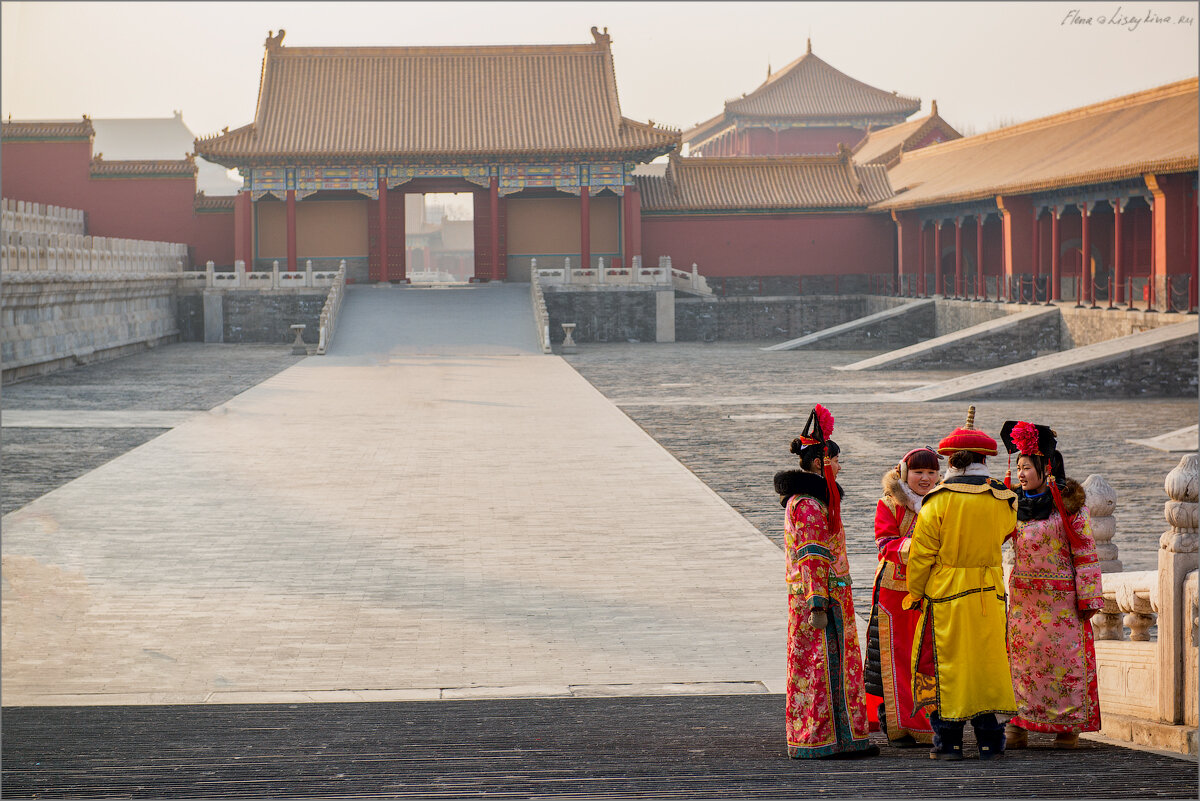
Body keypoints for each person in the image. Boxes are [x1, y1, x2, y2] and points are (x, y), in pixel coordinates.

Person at [904, 406, 1018, 761]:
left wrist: (915, 592)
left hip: (946, 592)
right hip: (989, 592)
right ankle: (990, 742)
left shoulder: (936, 502)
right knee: (988, 667)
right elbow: (1005, 535)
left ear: (952, 462)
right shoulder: (1003, 499)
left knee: (944, 668)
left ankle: (949, 743)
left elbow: (921, 555)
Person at [774, 404, 878, 760]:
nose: (839, 465)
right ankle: (822, 739)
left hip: (832, 595)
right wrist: (817, 600)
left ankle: (842, 736)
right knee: (820, 666)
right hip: (820, 598)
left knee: (832, 664)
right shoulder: (807, 505)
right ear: (820, 462)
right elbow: (812, 554)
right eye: (836, 459)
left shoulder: (815, 501)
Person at [1000, 420, 1103, 750]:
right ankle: (1018, 724)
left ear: (1046, 467)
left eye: (1026, 467)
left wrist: (1089, 598)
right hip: (1023, 604)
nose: (1021, 473)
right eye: (1018, 467)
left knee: (1065, 665)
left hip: (1062, 606)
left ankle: (1067, 727)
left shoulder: (1070, 507)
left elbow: (1085, 552)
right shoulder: (1012, 505)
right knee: (1021, 665)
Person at [864, 446, 941, 747]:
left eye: (932, 472)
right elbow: (885, 543)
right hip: (894, 594)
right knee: (894, 660)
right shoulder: (890, 503)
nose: (925, 478)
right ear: (905, 473)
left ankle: (926, 721)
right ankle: (897, 723)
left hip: (932, 591)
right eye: (919, 472)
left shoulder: (942, 503)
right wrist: (921, 549)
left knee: (926, 659)